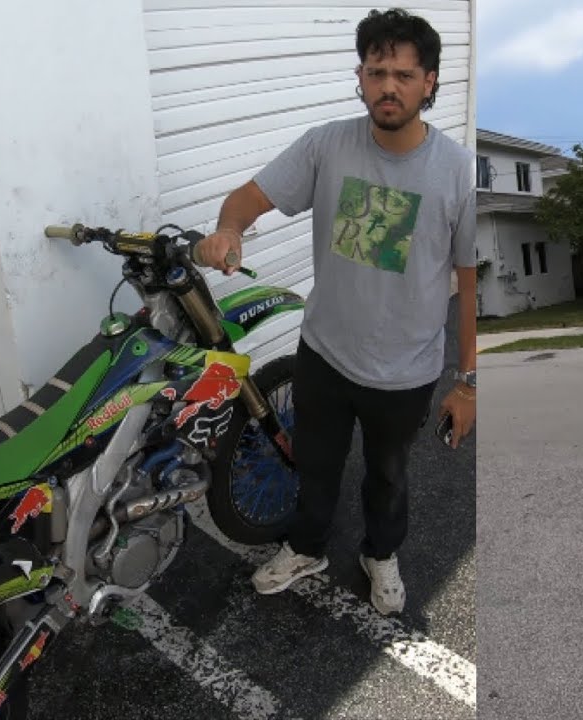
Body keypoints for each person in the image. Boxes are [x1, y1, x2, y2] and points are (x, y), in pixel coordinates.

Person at [192, 7, 476, 616]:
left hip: (405, 371)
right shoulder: (326, 145)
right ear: (360, 76)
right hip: (323, 354)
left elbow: (470, 279)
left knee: (388, 478)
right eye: (377, 72)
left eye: (404, 73)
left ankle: (381, 554)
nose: (388, 86)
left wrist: (468, 380)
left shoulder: (455, 171)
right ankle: (307, 546)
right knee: (314, 466)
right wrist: (228, 231)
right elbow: (247, 197)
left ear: (430, 81)